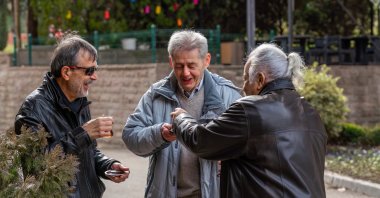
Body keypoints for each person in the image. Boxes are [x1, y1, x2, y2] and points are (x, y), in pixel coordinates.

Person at [171, 43, 327, 198]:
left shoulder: (251, 110)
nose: (243, 87)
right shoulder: (312, 113)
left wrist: (181, 118)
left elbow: (201, 140)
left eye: (245, 79)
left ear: (260, 79)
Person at [122, 30, 241, 198]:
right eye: (179, 66)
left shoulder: (229, 95)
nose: (185, 73)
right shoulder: (155, 94)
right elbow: (130, 136)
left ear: (206, 60)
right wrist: (159, 134)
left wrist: (229, 156)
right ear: (171, 61)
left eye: (191, 65)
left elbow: (250, 145)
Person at [15, 33, 130, 198]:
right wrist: (83, 135)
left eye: (95, 69)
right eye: (89, 70)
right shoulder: (32, 108)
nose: (95, 77)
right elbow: (35, 166)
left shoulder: (80, 100)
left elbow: (87, 153)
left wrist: (108, 166)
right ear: (67, 72)